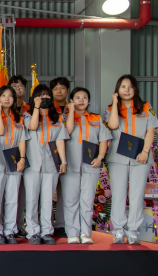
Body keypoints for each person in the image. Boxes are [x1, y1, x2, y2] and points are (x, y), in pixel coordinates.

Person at [104, 75, 157, 244]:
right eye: (123, 87)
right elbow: (112, 125)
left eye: (130, 86)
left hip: (140, 157)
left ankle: (133, 230)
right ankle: (118, 230)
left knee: (136, 194)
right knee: (118, 194)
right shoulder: (109, 109)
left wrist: (145, 152)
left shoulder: (146, 107)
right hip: (117, 157)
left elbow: (150, 130)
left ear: (135, 89)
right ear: (117, 90)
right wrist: (114, 104)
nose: (126, 90)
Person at [62, 87, 111, 244]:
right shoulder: (65, 118)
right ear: (71, 100)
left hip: (91, 165)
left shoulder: (96, 119)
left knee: (87, 200)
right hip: (71, 165)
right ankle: (72, 233)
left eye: (84, 97)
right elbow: (67, 132)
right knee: (71, 200)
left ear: (89, 100)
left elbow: (104, 140)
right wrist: (70, 112)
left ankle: (85, 233)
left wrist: (100, 157)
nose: (81, 100)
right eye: (77, 97)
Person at [23, 84, 68, 245]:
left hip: (51, 165)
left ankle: (47, 231)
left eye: (47, 95)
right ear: (34, 97)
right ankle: (33, 231)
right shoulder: (27, 115)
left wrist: (63, 161)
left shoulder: (57, 118)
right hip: (33, 165)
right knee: (32, 199)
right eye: (40, 95)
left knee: (48, 200)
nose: (44, 98)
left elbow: (60, 141)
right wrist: (36, 108)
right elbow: (33, 126)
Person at [0, 86, 28, 245]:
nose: (7, 98)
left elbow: (22, 140)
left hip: (14, 161)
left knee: (12, 198)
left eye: (10, 96)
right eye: (3, 95)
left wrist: (22, 158)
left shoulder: (19, 118)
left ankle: (10, 229)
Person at [8, 75, 30, 238]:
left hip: (28, 155)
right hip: (8, 154)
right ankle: (6, 225)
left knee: (22, 193)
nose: (18, 88)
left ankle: (20, 224)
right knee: (7, 193)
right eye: (14, 86)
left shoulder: (31, 109)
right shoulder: (4, 109)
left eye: (21, 85)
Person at [50, 76, 71, 239]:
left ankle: (62, 224)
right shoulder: (48, 109)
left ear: (68, 90)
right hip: (51, 154)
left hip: (71, 154)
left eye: (62, 88)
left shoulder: (74, 108)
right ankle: (48, 224)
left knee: (66, 192)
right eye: (56, 88)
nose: (59, 91)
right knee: (48, 192)